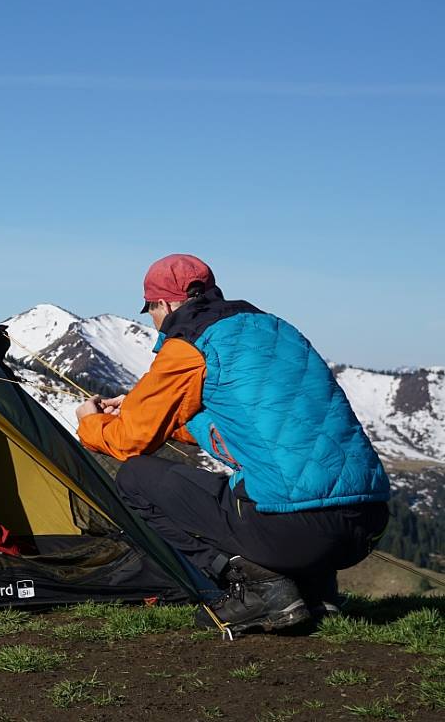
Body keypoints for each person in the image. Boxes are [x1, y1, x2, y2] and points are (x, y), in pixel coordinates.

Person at [75, 253, 390, 637]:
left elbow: (128, 441)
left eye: (151, 311)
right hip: (367, 526)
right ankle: (314, 588)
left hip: (296, 531)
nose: (154, 322)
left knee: (135, 478)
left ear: (167, 303)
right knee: (283, 470)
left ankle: (261, 589)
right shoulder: (275, 328)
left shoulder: (188, 342)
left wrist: (90, 423)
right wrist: (166, 415)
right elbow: (242, 429)